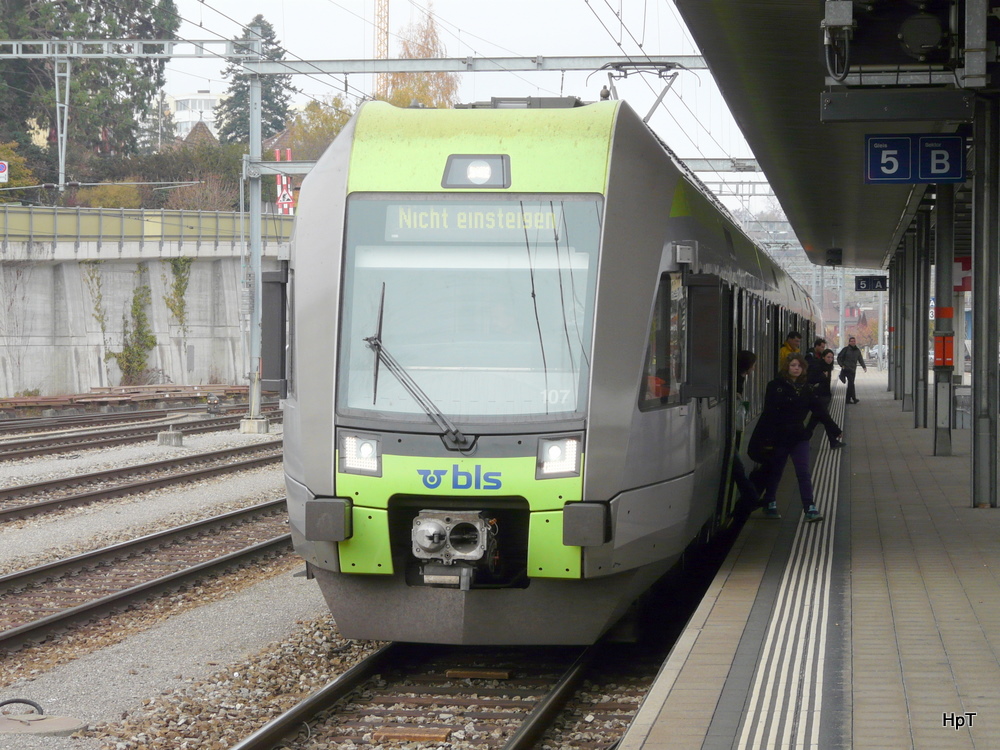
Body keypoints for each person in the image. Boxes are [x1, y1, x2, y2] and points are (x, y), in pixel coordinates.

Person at [753, 353, 843, 522]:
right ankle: (770, 501)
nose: (796, 368)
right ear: (786, 367)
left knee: (803, 473)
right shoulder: (775, 386)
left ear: (803, 369)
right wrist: (766, 438)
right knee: (776, 471)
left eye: (799, 366)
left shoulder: (806, 388)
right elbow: (769, 413)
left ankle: (810, 507)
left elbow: (820, 411)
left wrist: (834, 429)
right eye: (793, 365)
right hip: (779, 437)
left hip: (798, 437)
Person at [732, 350, 763, 515]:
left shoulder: (739, 377)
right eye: (753, 365)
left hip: (731, 428)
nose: (754, 368)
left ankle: (753, 499)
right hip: (731, 428)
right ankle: (753, 499)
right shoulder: (737, 379)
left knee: (738, 467)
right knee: (737, 467)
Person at [807, 349, 846, 449]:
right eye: (828, 357)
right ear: (823, 357)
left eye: (832, 357)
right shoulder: (818, 366)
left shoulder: (827, 367)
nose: (830, 359)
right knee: (825, 418)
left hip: (824, 395)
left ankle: (803, 440)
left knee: (815, 421)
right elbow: (810, 379)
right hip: (818, 396)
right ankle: (834, 438)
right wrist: (822, 376)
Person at [837, 335, 867, 404]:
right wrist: (842, 365)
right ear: (849, 342)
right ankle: (853, 398)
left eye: (854, 341)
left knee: (851, 384)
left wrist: (864, 367)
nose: (853, 342)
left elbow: (860, 359)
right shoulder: (846, 349)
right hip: (846, 369)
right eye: (851, 341)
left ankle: (849, 399)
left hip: (853, 369)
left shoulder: (857, 350)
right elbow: (839, 357)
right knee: (851, 384)